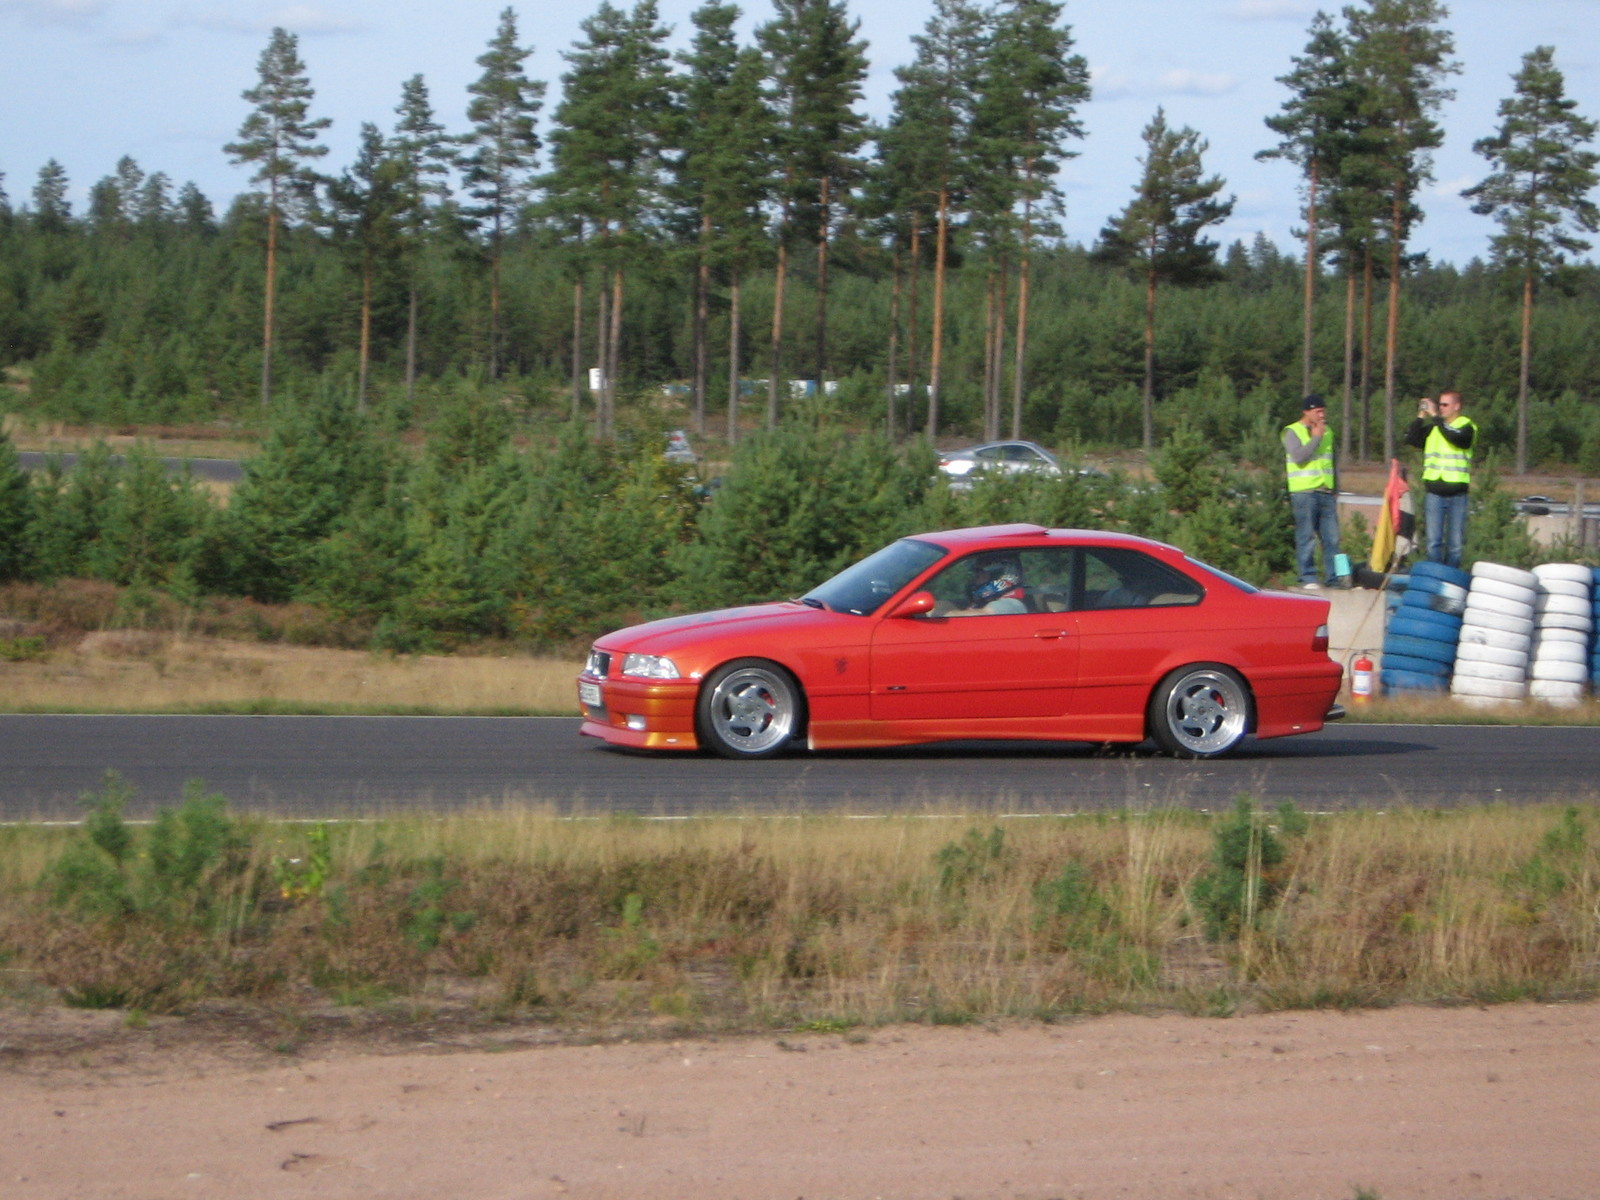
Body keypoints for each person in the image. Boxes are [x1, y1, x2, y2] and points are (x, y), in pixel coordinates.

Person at [1403, 390, 1476, 568]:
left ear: (1456, 406)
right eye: (1439, 404)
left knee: (1455, 544)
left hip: (1457, 493)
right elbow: (1411, 438)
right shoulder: (1434, 429)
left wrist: (1435, 416)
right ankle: (1435, 576)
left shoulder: (1467, 426)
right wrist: (1421, 416)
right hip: (1434, 492)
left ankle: (1451, 577)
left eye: (1445, 405)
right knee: (1433, 542)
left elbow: (1456, 438)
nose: (1441, 408)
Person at [1283, 394, 1345, 590]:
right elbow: (1299, 456)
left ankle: (1334, 577)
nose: (1321, 415)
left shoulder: (1328, 432)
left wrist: (1335, 487)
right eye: (1317, 411)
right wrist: (1316, 437)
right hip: (1304, 492)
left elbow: (1331, 462)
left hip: (1325, 491)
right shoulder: (1292, 431)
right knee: (1306, 536)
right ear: (1306, 412)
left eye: (1323, 411)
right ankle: (1307, 576)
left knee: (1332, 538)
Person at [940, 554, 1029, 616]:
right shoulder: (984, 601)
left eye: (980, 574)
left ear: (998, 576)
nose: (974, 580)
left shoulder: (1010, 604)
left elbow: (983, 614)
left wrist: (941, 615)